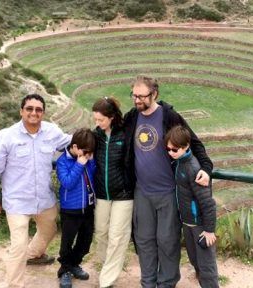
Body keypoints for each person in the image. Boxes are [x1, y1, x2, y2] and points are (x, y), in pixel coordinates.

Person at [123, 75, 213, 288]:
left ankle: (167, 282)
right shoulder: (131, 117)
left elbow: (195, 143)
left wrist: (207, 169)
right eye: (134, 95)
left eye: (141, 96)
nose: (137, 100)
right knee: (144, 240)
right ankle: (148, 282)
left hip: (168, 191)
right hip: (142, 191)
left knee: (168, 240)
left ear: (154, 94)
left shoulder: (169, 116)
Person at [0, 94, 71, 288]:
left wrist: (98, 133)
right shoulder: (7, 136)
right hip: (17, 202)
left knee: (49, 230)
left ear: (43, 113)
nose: (34, 113)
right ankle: (15, 284)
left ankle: (33, 255)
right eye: (29, 108)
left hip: (44, 200)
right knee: (18, 246)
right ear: (21, 111)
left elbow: (72, 142)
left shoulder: (52, 132)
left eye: (38, 109)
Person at [166, 126, 219, 288]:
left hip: (199, 225)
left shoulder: (192, 168)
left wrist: (209, 230)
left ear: (186, 147)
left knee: (206, 264)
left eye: (174, 149)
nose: (170, 153)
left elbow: (208, 203)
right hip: (188, 222)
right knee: (195, 259)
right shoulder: (179, 162)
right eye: (167, 149)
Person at [91, 97, 133, 288]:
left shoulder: (125, 134)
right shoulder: (96, 135)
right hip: (101, 193)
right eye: (95, 120)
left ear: (112, 117)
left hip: (123, 195)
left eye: (101, 120)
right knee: (100, 233)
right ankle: (106, 266)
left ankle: (107, 280)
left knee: (117, 237)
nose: (97, 124)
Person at [56, 128, 98, 288]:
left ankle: (74, 264)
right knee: (67, 242)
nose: (86, 154)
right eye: (84, 151)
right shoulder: (62, 161)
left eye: (89, 152)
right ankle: (65, 270)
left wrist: (91, 162)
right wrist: (80, 165)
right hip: (70, 210)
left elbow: (93, 176)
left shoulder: (87, 157)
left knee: (86, 241)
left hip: (88, 208)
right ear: (74, 146)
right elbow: (67, 182)